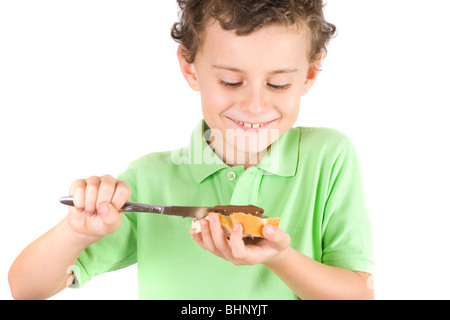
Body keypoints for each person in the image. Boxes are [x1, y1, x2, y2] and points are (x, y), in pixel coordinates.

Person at [8, 0, 374, 300]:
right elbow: (25, 289)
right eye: (231, 81)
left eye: (278, 84)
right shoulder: (150, 180)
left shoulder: (328, 157)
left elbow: (359, 294)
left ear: (309, 74)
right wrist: (77, 232)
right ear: (190, 67)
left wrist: (279, 257)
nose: (254, 105)